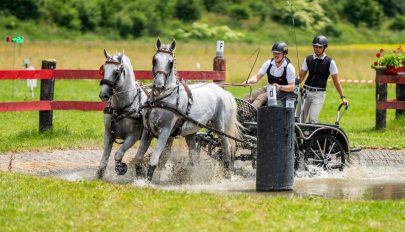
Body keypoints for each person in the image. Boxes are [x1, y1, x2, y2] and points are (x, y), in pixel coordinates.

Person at [298, 35, 348, 123]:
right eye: (315, 47)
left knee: (313, 119)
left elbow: (336, 81)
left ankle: (310, 137)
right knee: (299, 118)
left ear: (324, 48)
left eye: (320, 47)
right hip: (305, 92)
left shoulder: (330, 62)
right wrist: (292, 84)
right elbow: (301, 77)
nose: (317, 49)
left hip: (319, 94)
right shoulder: (308, 59)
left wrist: (343, 97)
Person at [243, 42, 296, 108]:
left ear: (284, 54)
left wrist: (280, 87)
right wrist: (247, 81)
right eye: (274, 53)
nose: (275, 55)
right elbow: (256, 78)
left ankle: (250, 114)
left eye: (278, 53)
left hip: (281, 92)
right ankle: (240, 113)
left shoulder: (289, 67)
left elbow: (292, 87)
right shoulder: (268, 63)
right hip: (268, 88)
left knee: (260, 98)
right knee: (249, 97)